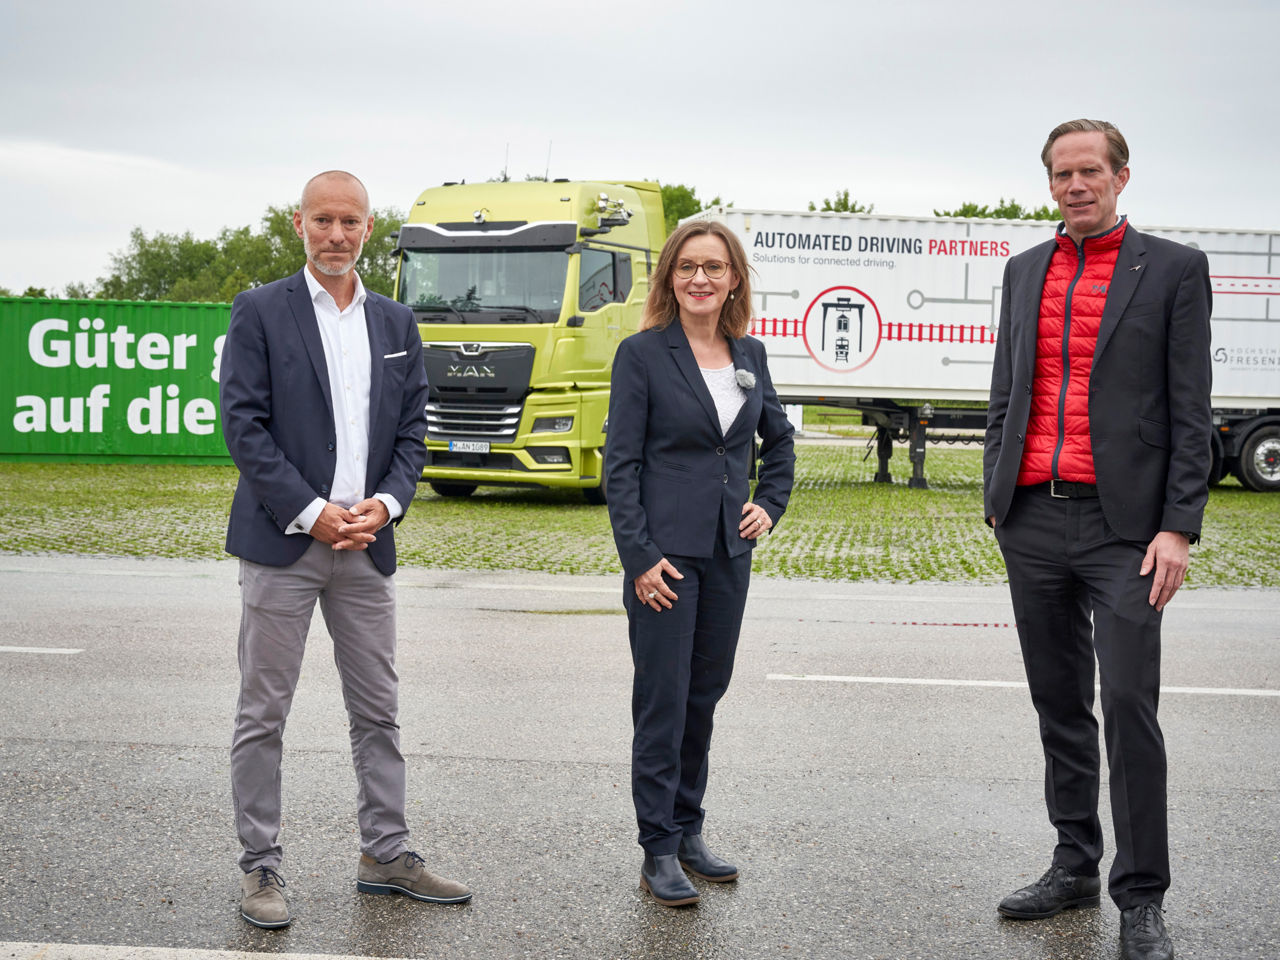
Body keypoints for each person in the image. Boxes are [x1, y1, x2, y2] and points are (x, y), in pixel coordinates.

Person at [984, 120, 1211, 960]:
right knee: (1059, 703)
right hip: (1034, 519)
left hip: (1127, 532)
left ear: (1121, 177)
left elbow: (1191, 411)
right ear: (1049, 184)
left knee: (1126, 704)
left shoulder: (1174, 270)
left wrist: (1178, 527)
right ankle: (1075, 861)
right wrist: (996, 502)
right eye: (1061, 174)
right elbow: (1009, 386)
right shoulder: (1024, 271)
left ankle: (1141, 895)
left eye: (1090, 171)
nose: (1076, 185)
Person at [220, 170, 471, 929]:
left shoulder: (395, 323)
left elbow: (412, 433)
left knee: (379, 711)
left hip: (368, 546)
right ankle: (261, 867)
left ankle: (385, 855)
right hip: (282, 545)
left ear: (369, 228)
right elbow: (245, 427)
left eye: (350, 221)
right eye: (323, 220)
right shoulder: (260, 311)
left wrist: (386, 505)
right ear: (299, 224)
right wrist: (310, 511)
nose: (336, 234)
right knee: (264, 712)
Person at [604, 220, 795, 907]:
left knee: (703, 697)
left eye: (713, 267)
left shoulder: (750, 353)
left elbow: (779, 443)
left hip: (727, 554)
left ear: (734, 279)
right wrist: (640, 557)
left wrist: (768, 505)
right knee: (662, 701)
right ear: (670, 279)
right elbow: (619, 466)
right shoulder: (643, 355)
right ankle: (657, 847)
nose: (700, 279)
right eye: (687, 267)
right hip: (665, 559)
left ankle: (688, 829)